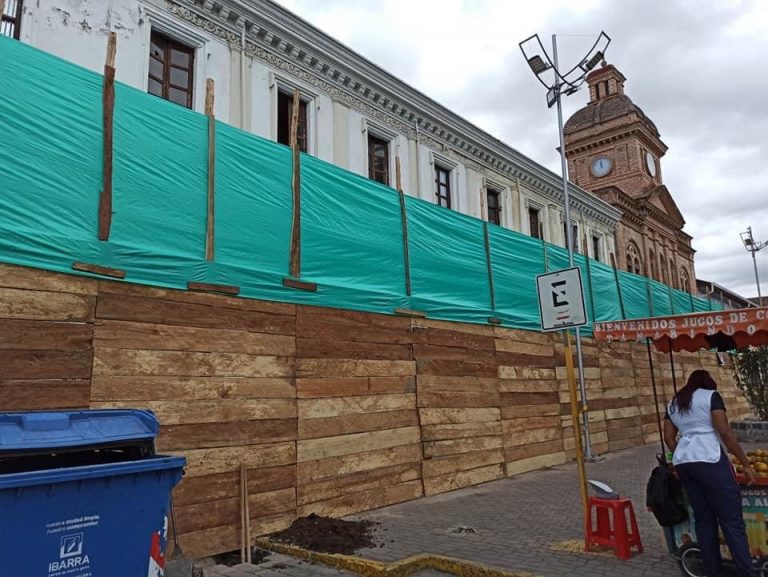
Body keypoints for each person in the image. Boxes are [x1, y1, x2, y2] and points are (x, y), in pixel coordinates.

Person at [663, 369, 755, 577]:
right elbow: (724, 431)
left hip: (685, 465)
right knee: (731, 521)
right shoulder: (710, 396)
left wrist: (681, 454)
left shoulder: (674, 403)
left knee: (704, 521)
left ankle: (713, 572)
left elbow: (669, 438)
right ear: (708, 383)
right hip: (710, 461)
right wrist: (745, 463)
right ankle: (745, 573)